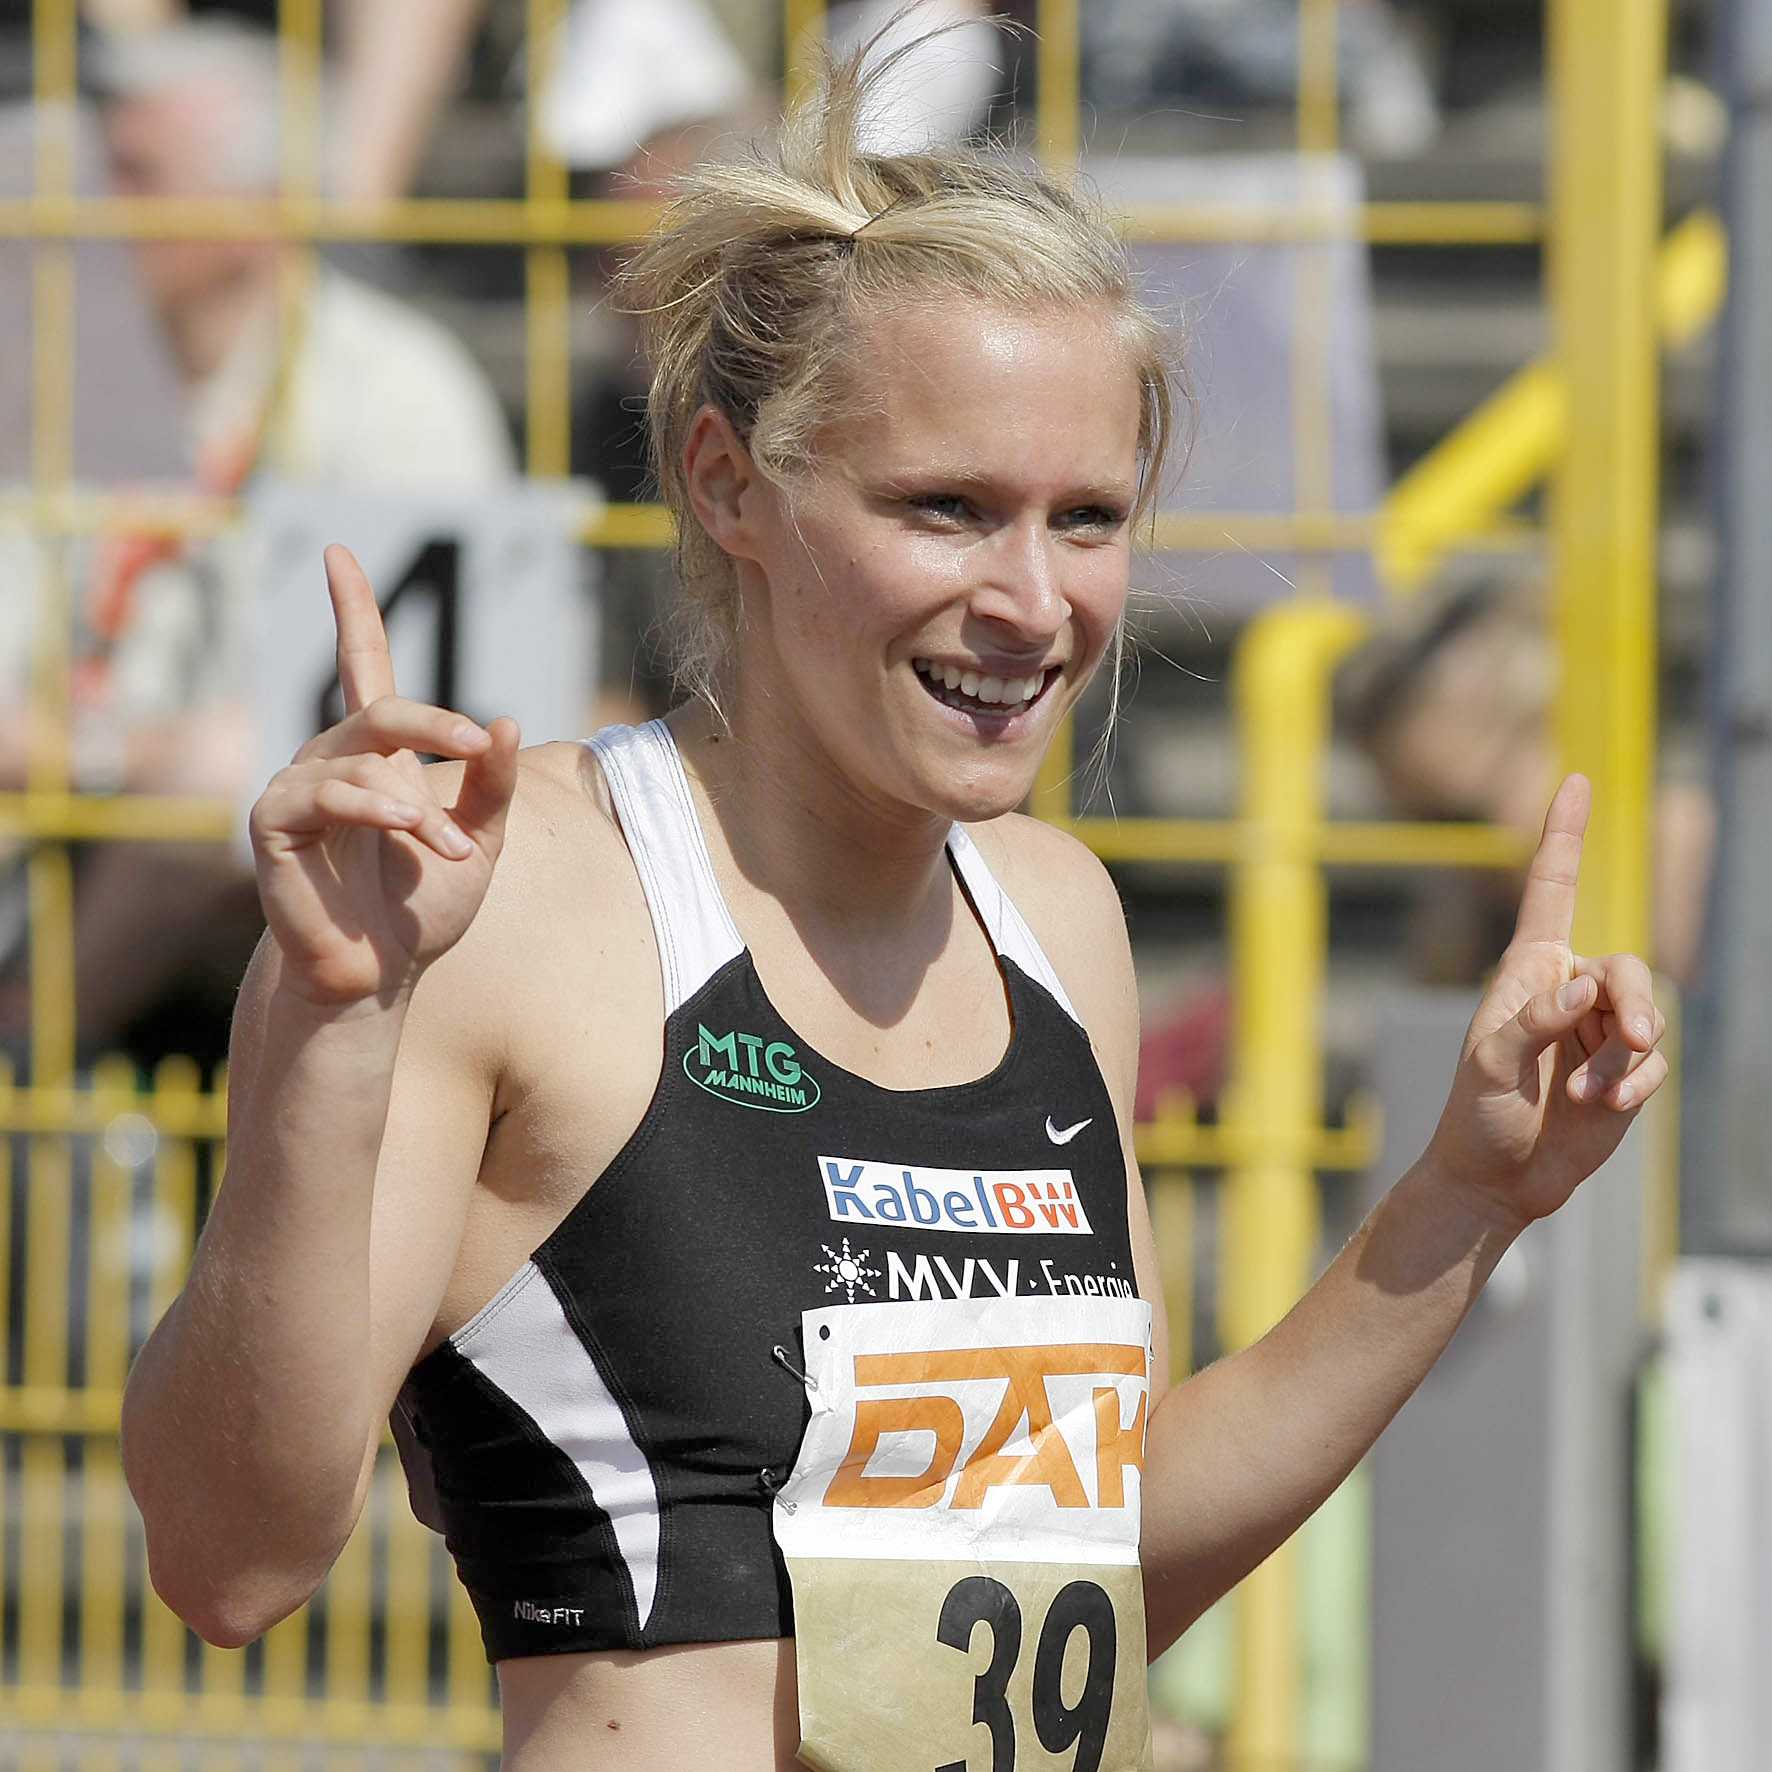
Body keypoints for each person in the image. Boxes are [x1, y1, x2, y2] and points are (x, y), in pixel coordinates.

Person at [118, 19, 1666, 1770]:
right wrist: (327, 1037)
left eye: (1087, 518)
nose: (1032, 601)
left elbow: (1102, 1562)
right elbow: (226, 1563)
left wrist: (1465, 1201)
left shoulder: (1056, 916)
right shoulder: (511, 900)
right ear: (729, 483)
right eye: (946, 508)